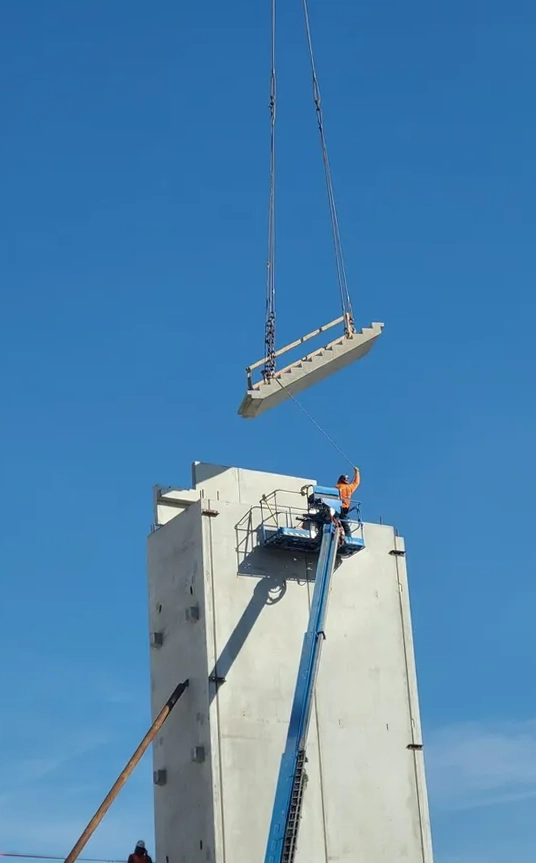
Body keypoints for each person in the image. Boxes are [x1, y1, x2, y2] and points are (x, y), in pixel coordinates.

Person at [336, 467, 360, 536]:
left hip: (338, 507)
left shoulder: (338, 487)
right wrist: (357, 472)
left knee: (333, 520)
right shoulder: (349, 487)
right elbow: (356, 482)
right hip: (346, 508)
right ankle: (348, 536)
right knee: (345, 524)